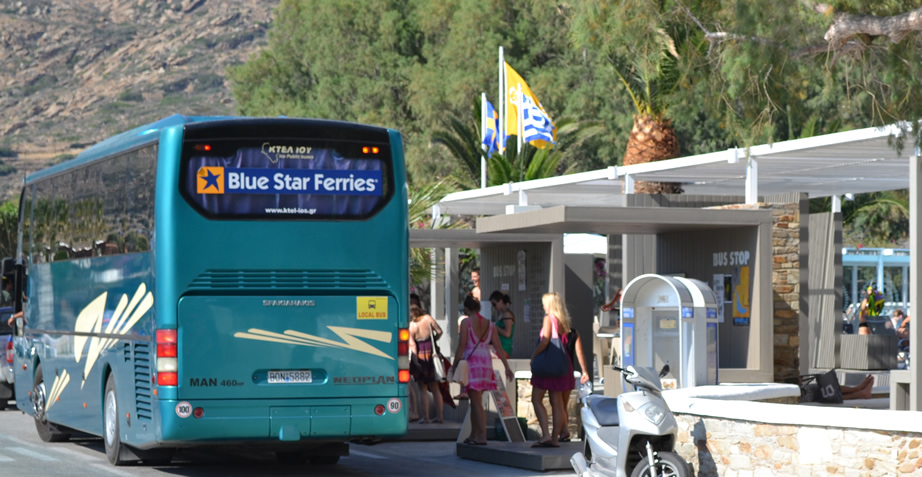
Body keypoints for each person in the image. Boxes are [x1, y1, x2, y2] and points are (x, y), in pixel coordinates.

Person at [451, 295, 514, 445]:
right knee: (475, 401)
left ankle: (481, 436)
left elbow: (462, 345)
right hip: (486, 362)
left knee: (476, 402)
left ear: (466, 309)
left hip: (472, 364)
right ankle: (474, 434)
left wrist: (455, 365)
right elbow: (498, 346)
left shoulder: (466, 322)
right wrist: (507, 367)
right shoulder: (490, 324)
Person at [530, 292, 573, 448]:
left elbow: (545, 340)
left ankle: (546, 434)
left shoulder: (549, 318)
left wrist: (534, 355)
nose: (543, 306)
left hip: (547, 363)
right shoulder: (562, 321)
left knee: (536, 399)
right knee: (557, 402)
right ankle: (555, 438)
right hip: (560, 363)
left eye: (544, 303)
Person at [409, 304, 444, 424]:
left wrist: (415, 361)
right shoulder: (428, 318)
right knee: (435, 388)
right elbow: (439, 331)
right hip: (432, 353)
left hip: (420, 355)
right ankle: (440, 417)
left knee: (422, 389)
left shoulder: (411, 326)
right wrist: (433, 340)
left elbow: (413, 346)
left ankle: (426, 417)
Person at [558, 326, 590, 442]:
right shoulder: (574, 332)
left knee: (557, 403)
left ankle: (562, 431)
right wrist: (584, 371)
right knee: (563, 404)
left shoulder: (553, 328)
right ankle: (564, 430)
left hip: (555, 371)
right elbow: (579, 353)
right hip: (568, 371)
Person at [489, 291, 515, 359]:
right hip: (499, 347)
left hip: (504, 348)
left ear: (500, 301)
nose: (494, 307)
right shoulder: (501, 315)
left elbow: (507, 333)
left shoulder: (507, 314)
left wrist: (495, 327)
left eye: (494, 304)